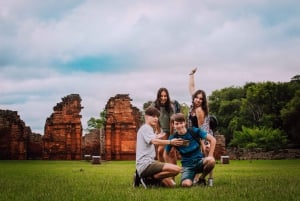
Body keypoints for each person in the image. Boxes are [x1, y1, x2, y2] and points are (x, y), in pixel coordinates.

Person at [135, 106, 183, 188]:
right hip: (146, 165)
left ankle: (146, 178)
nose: (156, 119)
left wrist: (158, 135)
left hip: (150, 163)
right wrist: (170, 142)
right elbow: (154, 141)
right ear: (146, 116)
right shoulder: (146, 128)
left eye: (157, 117)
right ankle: (147, 179)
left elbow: (153, 138)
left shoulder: (147, 128)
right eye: (153, 116)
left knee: (171, 185)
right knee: (177, 169)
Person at [165, 113, 216, 187]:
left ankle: (201, 179)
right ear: (173, 125)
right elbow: (165, 153)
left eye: (181, 123)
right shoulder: (173, 137)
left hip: (200, 162)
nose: (179, 126)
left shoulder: (194, 131)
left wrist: (210, 155)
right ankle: (190, 178)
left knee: (211, 161)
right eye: (177, 124)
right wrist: (171, 167)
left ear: (185, 122)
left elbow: (213, 140)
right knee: (186, 185)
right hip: (187, 166)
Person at [188, 67, 215, 186]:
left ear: (203, 101)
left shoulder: (199, 110)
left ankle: (209, 179)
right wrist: (191, 75)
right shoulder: (192, 106)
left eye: (201, 99)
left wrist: (203, 143)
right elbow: (192, 88)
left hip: (203, 134)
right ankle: (198, 179)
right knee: (198, 157)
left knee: (207, 155)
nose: (198, 100)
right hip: (194, 134)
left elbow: (200, 129)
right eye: (197, 98)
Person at [151, 87, 179, 164]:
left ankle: (173, 173)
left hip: (172, 130)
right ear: (158, 96)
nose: (163, 98)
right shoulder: (155, 106)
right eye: (161, 96)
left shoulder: (171, 107)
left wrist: (171, 137)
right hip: (163, 131)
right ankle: (163, 170)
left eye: (165, 96)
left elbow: (172, 123)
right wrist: (159, 133)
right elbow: (156, 121)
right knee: (160, 151)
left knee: (171, 151)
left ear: (167, 96)